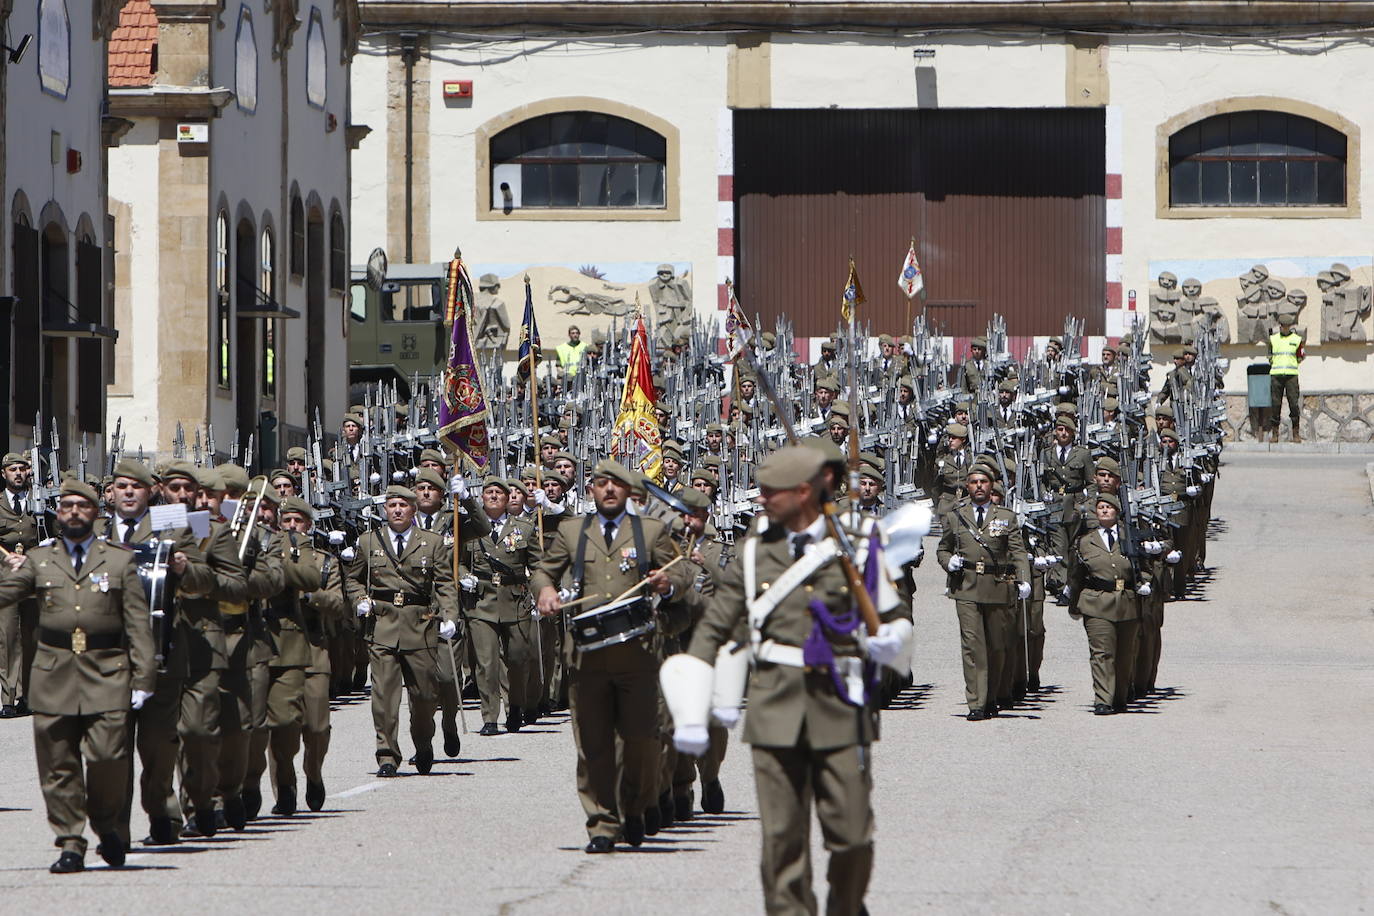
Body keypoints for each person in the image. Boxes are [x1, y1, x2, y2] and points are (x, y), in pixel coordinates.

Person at [677, 445, 911, 916]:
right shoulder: (750, 552)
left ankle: (847, 906)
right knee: (781, 836)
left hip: (840, 703)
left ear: (803, 492)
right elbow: (714, 628)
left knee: (850, 833)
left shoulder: (857, 541)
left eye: (770, 492)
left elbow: (893, 610)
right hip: (775, 706)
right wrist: (694, 700)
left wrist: (895, 641)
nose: (760, 500)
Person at [531, 459, 692, 853]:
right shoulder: (573, 531)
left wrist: (667, 583)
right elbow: (543, 570)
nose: (608, 490)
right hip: (587, 658)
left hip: (637, 655)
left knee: (640, 741)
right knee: (594, 745)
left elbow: (683, 569)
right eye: (601, 483)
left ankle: (635, 807)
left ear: (628, 492)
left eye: (616, 485)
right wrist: (546, 592)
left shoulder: (650, 531)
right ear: (591, 490)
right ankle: (602, 822)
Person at [0, 478, 156, 873]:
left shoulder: (119, 561)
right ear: (58, 514)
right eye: (66, 505)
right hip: (53, 673)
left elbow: (138, 625)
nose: (72, 512)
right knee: (58, 764)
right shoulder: (40, 559)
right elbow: (8, 592)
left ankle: (107, 826)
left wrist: (144, 678)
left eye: (81, 506)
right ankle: (71, 840)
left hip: (107, 670)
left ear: (95, 513)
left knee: (107, 758)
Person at [345, 485, 459, 777]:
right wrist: (359, 600)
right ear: (385, 510)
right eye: (392, 505)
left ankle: (423, 743)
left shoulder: (431, 543)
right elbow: (353, 579)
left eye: (403, 505)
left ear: (413, 510)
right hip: (382, 625)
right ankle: (387, 755)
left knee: (424, 697)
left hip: (419, 626)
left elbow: (445, 584)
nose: (397, 510)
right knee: (383, 698)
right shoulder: (369, 541)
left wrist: (449, 616)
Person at [937, 465, 1031, 720]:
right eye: (973, 482)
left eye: (983, 482)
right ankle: (976, 703)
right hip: (966, 587)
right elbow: (943, 548)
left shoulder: (1006, 517)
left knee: (997, 647)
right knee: (972, 646)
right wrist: (949, 562)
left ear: (991, 486)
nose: (978, 486)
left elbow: (1018, 553)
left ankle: (991, 696)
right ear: (967, 486)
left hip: (997, 586)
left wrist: (1024, 580)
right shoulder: (956, 516)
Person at [467, 478, 540, 735]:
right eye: (489, 492)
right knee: (486, 663)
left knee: (518, 659)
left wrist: (542, 592)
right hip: (482, 601)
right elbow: (456, 560)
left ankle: (516, 706)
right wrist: (464, 577)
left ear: (508, 498)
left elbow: (538, 565)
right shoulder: (470, 528)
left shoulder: (524, 528)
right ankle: (489, 717)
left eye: (499, 492)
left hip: (515, 599)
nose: (494, 496)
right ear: (482, 497)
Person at [1066, 494, 1149, 715]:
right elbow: (1076, 575)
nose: (1104, 511)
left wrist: (1145, 583)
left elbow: (1145, 566)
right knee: (1101, 653)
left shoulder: (1130, 537)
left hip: (1127, 602)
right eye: (1100, 507)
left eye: (1109, 507)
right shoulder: (1085, 541)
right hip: (1096, 602)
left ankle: (1119, 697)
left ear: (1117, 511)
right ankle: (1102, 699)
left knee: (1123, 655)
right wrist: (1073, 604)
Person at [0, 451, 40, 718]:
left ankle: (29, 696)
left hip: (33, 577)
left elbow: (53, 537)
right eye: (13, 469)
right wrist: (7, 557)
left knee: (31, 637)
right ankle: (8, 698)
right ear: (4, 474)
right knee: (7, 639)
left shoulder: (39, 502)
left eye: (22, 469)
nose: (18, 473)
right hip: (5, 578)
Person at [1266, 312, 1304, 442]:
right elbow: (1270, 355)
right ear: (1280, 326)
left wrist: (1290, 364)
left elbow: (1300, 356)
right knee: (1275, 404)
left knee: (1293, 404)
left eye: (1287, 326)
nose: (1285, 328)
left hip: (1291, 376)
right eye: (1283, 326)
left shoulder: (1296, 340)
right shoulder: (1273, 339)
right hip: (1276, 375)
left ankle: (1296, 433)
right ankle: (1275, 434)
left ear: (1290, 326)